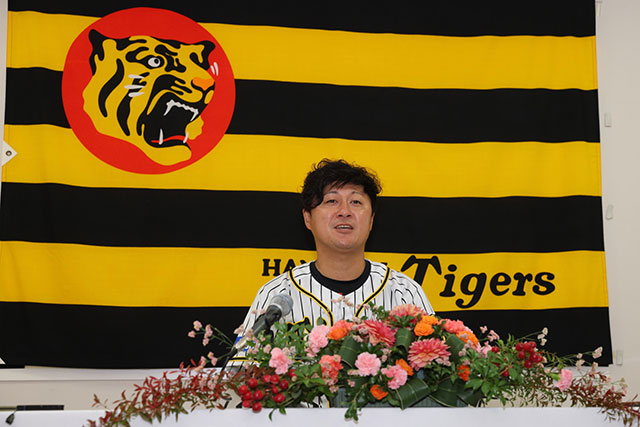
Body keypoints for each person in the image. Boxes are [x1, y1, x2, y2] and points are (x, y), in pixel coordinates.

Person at [233, 159, 433, 358]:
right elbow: (238, 372)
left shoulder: (404, 293)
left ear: (371, 220)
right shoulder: (277, 294)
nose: (344, 212)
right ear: (308, 218)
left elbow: (436, 366)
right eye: (331, 201)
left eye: (356, 202)